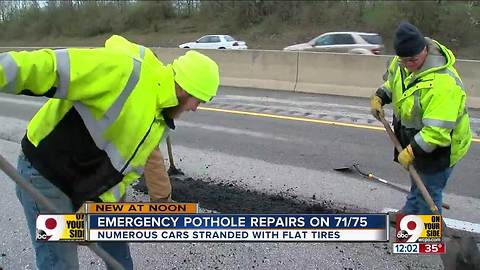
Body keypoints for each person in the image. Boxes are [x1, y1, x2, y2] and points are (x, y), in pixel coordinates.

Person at [0, 35, 219, 269]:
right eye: (198, 100)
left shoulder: (159, 118)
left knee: (119, 259)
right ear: (184, 88)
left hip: (85, 187)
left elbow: (124, 172)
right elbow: (48, 67)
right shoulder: (123, 70)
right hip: (45, 176)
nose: (195, 108)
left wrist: (94, 206)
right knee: (60, 262)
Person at [370, 21, 472, 215]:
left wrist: (411, 151)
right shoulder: (400, 63)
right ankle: (409, 213)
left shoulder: (443, 83)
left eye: (413, 60)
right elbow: (394, 85)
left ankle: (428, 238)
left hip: (442, 147)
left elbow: (437, 133)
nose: (408, 65)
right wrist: (380, 97)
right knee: (417, 180)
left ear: (424, 49)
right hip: (415, 139)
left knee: (429, 191)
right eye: (404, 60)